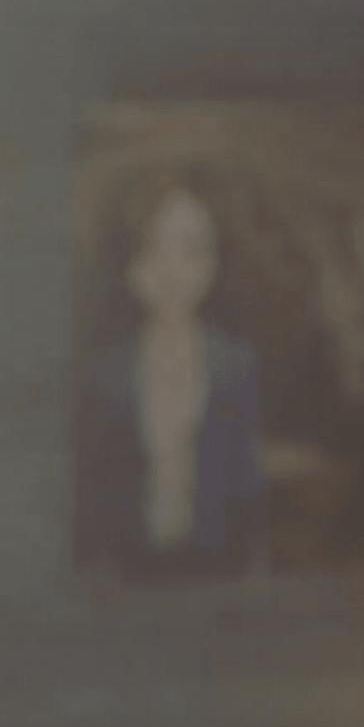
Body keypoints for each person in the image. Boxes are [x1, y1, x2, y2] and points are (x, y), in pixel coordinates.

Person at [74, 175, 266, 584]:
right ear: (130, 262)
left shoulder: (234, 366)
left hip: (217, 576)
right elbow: (93, 493)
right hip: (127, 579)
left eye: (192, 250)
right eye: (154, 248)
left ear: (214, 261)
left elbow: (247, 488)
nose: (172, 270)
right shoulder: (105, 375)